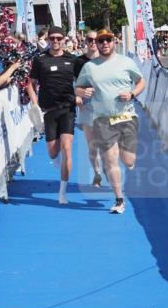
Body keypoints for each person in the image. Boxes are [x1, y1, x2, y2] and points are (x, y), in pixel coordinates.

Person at [75, 29, 145, 214]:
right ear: (96, 44)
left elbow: (141, 82)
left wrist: (132, 94)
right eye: (101, 41)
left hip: (126, 116)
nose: (104, 43)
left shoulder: (126, 62)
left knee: (128, 160)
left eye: (108, 40)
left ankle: (126, 162)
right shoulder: (90, 67)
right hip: (102, 119)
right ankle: (119, 200)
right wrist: (83, 93)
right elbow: (77, 87)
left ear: (114, 42)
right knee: (110, 159)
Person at [26, 26, 79, 204]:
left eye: (59, 38)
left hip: (68, 109)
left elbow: (83, 82)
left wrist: (80, 95)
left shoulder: (72, 60)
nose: (55, 41)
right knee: (52, 152)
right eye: (52, 39)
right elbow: (30, 84)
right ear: (48, 40)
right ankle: (56, 159)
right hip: (48, 111)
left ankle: (62, 192)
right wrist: (35, 105)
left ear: (64, 39)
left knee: (67, 148)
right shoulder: (40, 60)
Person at [74, 30, 102, 187]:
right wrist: (77, 96)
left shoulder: (106, 59)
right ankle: (97, 172)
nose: (92, 42)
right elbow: (74, 82)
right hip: (87, 105)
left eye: (95, 40)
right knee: (92, 144)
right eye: (89, 40)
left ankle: (110, 167)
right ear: (85, 41)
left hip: (105, 106)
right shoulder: (78, 62)